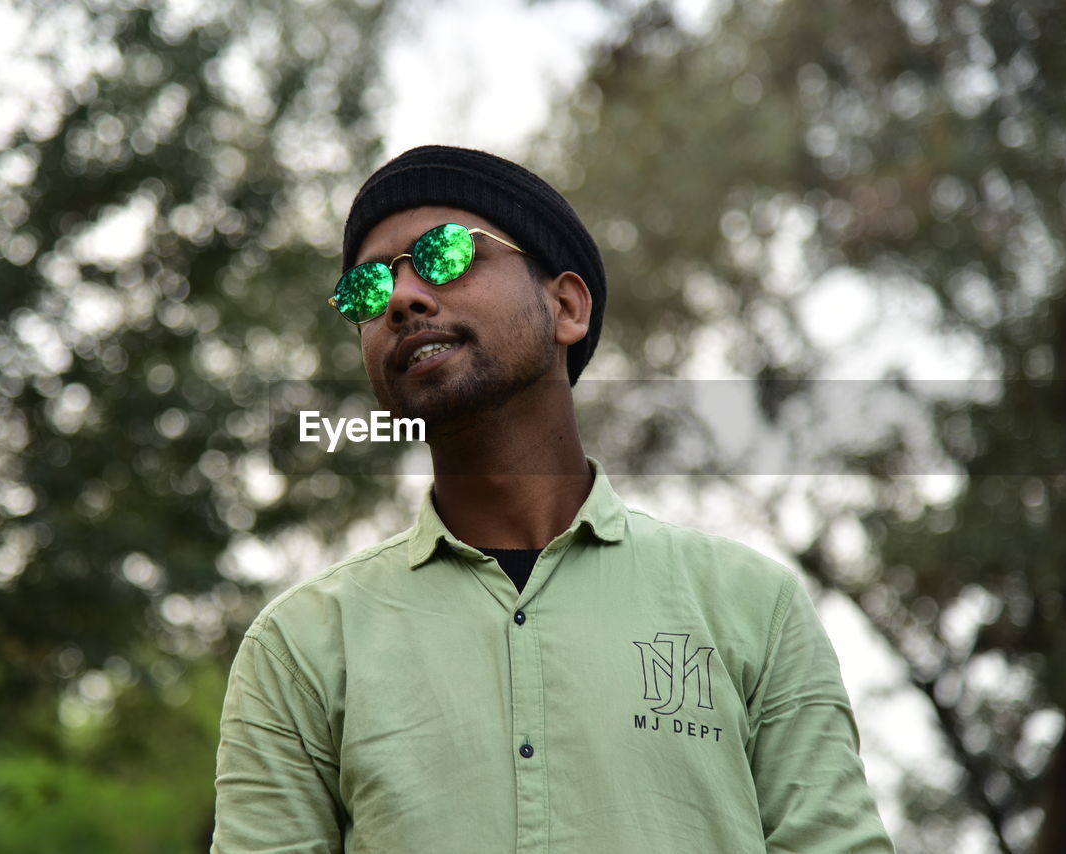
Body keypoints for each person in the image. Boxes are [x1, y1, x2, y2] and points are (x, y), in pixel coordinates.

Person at [213, 145, 894, 852]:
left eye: (443, 254)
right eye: (367, 290)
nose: (404, 298)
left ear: (565, 305)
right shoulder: (301, 648)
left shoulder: (753, 608)